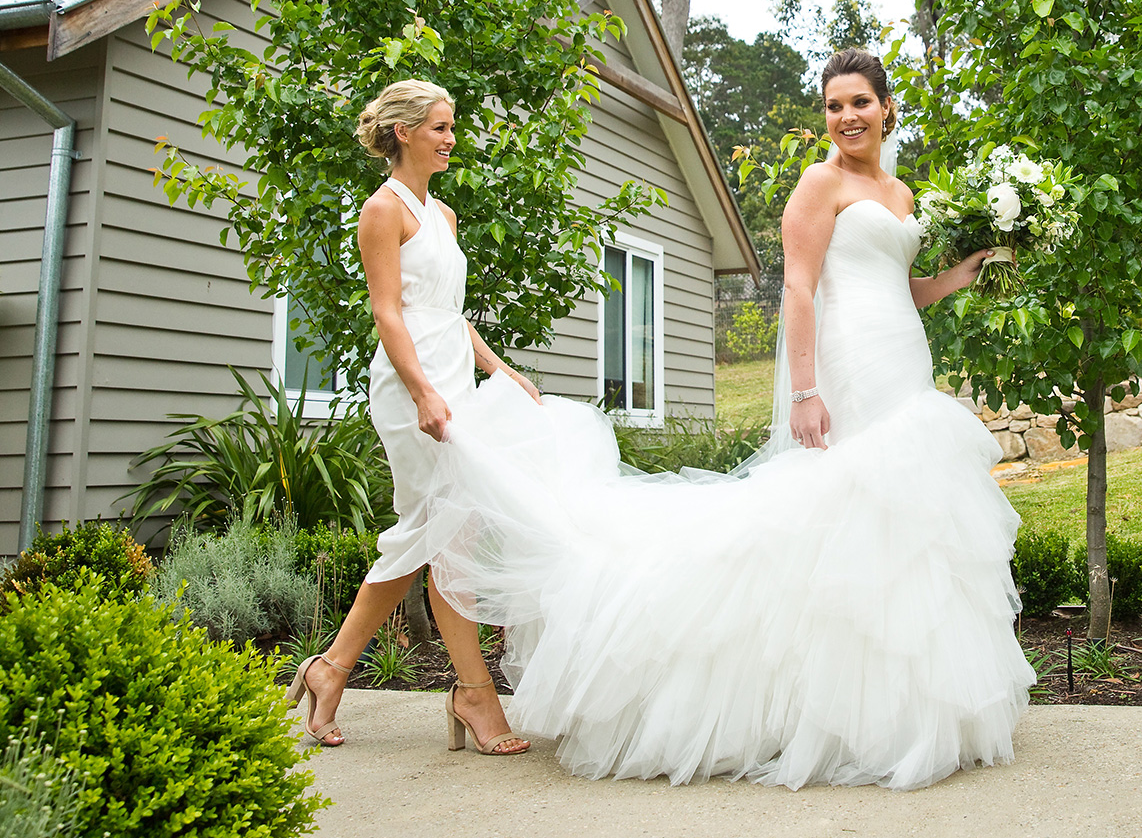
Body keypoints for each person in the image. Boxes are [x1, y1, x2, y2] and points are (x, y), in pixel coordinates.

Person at [422, 48, 1034, 790]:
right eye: (834, 105)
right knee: (839, 509)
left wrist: (966, 272)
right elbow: (801, 289)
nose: (846, 117)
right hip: (846, 364)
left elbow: (901, 288)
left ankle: (904, 707)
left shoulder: (902, 193)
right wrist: (805, 391)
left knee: (901, 521)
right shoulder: (820, 182)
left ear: (886, 108)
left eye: (860, 103)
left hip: (902, 359)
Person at [286, 79, 546, 756]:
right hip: (410, 389)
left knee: (444, 533)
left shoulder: (445, 215)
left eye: (451, 125)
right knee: (442, 529)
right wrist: (424, 392)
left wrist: (498, 367)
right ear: (403, 132)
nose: (451, 137)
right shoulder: (383, 209)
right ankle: (470, 693)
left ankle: (336, 667)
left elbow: (449, 313)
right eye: (439, 126)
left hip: (453, 376)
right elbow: (388, 310)